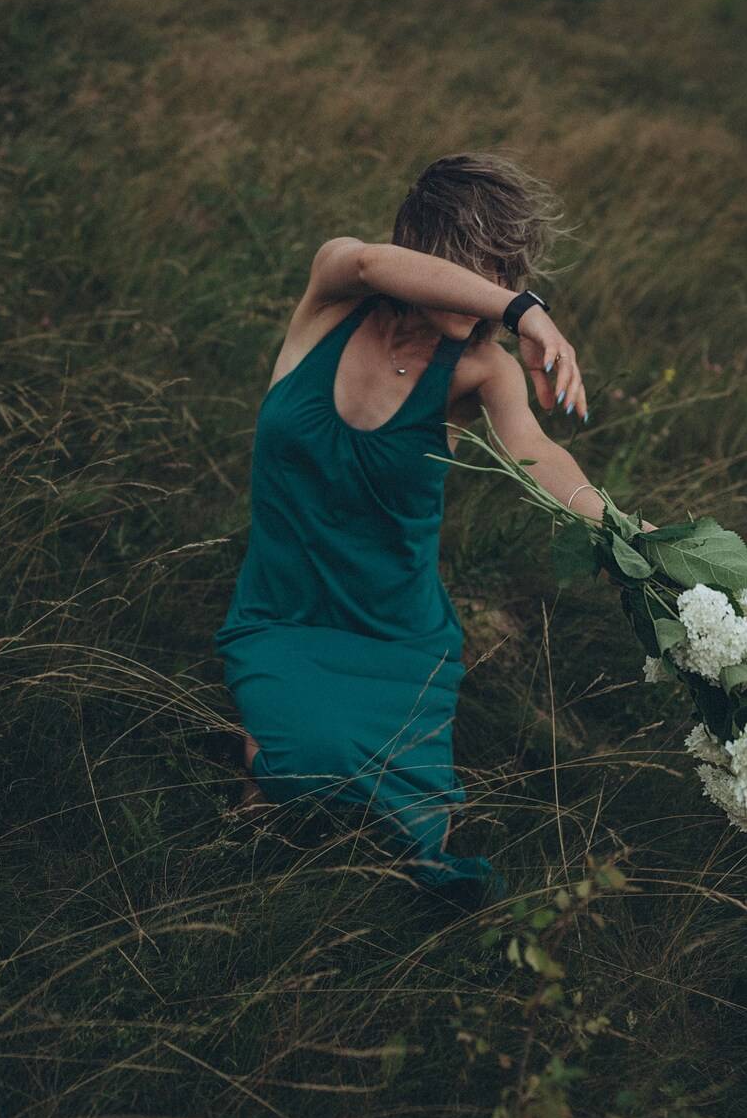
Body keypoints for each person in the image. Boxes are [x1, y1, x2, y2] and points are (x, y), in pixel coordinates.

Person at [214, 151, 659, 910]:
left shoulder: (480, 370)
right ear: (420, 251)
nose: (491, 290)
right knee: (301, 772)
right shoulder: (334, 291)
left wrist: (628, 530)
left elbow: (538, 454)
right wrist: (528, 311)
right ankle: (267, 775)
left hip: (395, 632)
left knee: (405, 835)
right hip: (283, 609)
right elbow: (372, 261)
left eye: (506, 272)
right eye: (476, 268)